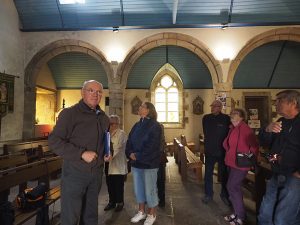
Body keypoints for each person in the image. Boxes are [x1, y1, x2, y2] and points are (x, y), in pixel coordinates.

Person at [48, 80, 109, 225]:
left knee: (90, 216)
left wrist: (108, 151)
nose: (95, 94)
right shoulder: (70, 114)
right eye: (91, 90)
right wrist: (81, 154)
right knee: (71, 217)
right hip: (75, 174)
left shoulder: (103, 118)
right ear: (82, 92)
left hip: (96, 174)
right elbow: (54, 141)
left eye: (99, 92)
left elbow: (105, 140)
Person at [258, 90, 300, 225]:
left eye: (280, 100)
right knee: (265, 213)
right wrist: (267, 130)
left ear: (293, 102)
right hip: (276, 172)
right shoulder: (281, 121)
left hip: (293, 176)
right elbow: (265, 143)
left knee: (283, 219)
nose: (275, 103)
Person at [125, 102, 162, 225]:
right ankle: (141, 211)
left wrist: (138, 155)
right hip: (136, 163)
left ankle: (152, 214)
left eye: (142, 106)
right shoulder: (136, 125)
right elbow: (129, 140)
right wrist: (129, 152)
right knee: (138, 189)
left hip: (149, 163)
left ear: (148, 110)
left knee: (149, 190)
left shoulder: (155, 126)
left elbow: (153, 146)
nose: (139, 108)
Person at [223, 108, 259, 225]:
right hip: (232, 162)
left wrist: (249, 159)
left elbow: (254, 147)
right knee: (232, 188)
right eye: (232, 114)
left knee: (233, 187)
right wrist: (230, 152)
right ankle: (236, 213)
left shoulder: (246, 129)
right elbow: (227, 143)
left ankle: (241, 216)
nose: (232, 115)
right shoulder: (233, 128)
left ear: (242, 117)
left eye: (235, 114)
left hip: (241, 164)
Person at [202, 99, 231, 205]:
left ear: (220, 108)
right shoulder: (206, 118)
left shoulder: (226, 119)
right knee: (208, 174)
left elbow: (229, 133)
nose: (212, 108)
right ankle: (208, 194)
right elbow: (206, 132)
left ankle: (224, 195)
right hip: (210, 151)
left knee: (224, 174)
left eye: (215, 106)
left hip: (223, 152)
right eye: (212, 106)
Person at [103, 115, 128, 212]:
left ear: (117, 124)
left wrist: (109, 157)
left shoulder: (121, 134)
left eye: (112, 124)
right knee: (109, 184)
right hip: (108, 163)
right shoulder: (107, 134)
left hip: (117, 164)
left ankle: (120, 203)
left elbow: (118, 147)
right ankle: (111, 202)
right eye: (109, 124)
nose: (111, 126)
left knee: (118, 185)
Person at [157, 123, 168, 207]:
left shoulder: (159, 126)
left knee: (160, 179)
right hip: (154, 156)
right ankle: (160, 199)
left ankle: (161, 199)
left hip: (157, 156)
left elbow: (161, 142)